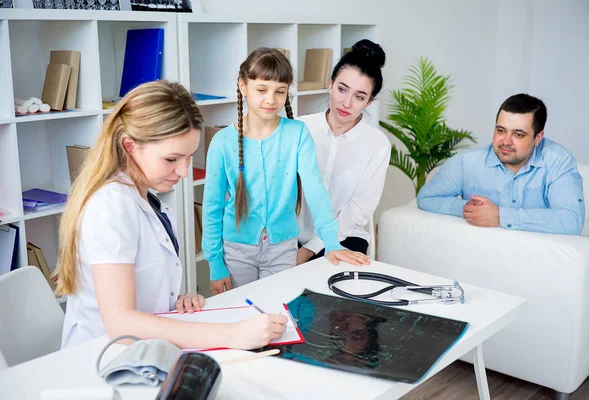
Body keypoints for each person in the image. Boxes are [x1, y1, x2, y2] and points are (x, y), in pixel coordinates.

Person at [54, 80, 287, 349]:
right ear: (130, 146)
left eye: (188, 157)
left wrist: (173, 301)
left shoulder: (144, 196)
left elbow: (141, 287)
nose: (184, 172)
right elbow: (121, 324)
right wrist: (231, 334)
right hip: (101, 357)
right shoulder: (111, 206)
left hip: (145, 349)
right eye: (172, 159)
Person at [202, 48, 370, 295]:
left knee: (281, 314)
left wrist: (331, 242)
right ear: (242, 86)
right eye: (262, 90)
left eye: (280, 91)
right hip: (236, 250)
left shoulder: (297, 133)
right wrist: (216, 265)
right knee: (241, 314)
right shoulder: (222, 142)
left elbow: (314, 189)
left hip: (283, 249)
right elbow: (212, 207)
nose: (271, 99)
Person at [417, 93, 585, 235]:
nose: (506, 141)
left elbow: (572, 220)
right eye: (501, 130)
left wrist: (500, 216)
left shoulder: (559, 161)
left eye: (518, 134)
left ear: (538, 138)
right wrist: (469, 209)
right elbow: (426, 198)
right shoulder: (466, 162)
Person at [296, 39, 391, 264]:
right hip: (291, 236)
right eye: (342, 89)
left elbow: (357, 211)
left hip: (345, 238)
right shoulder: (300, 128)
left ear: (369, 102)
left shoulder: (377, 144)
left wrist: (308, 250)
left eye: (359, 96)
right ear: (330, 84)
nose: (346, 103)